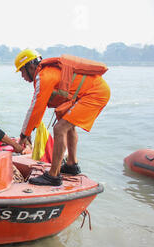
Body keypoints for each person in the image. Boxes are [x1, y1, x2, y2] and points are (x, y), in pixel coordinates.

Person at [15, 49, 111, 186]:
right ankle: (71, 165)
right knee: (67, 125)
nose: (22, 76)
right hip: (95, 91)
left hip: (94, 93)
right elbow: (38, 106)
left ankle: (53, 175)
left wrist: (24, 134)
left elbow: (36, 107)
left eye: (22, 71)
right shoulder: (46, 73)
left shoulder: (44, 76)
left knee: (60, 128)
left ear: (30, 66)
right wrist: (28, 131)